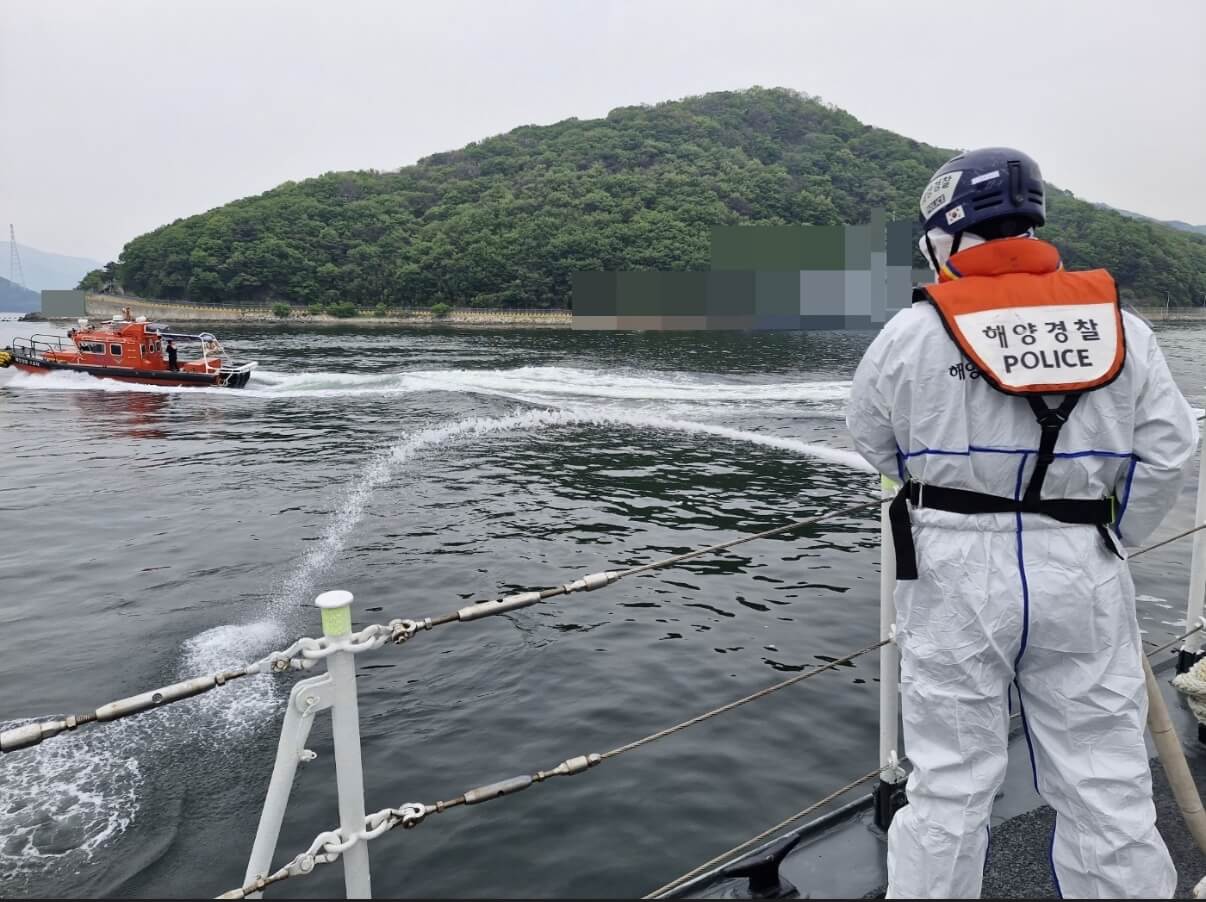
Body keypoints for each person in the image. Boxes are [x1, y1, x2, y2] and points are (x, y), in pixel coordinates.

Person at [846, 147, 1198, 899]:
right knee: (1106, 781)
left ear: (946, 234)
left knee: (948, 787)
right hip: (1082, 562)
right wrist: (1112, 534)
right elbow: (1170, 449)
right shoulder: (1121, 326)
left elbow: (872, 438)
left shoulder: (912, 333)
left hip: (952, 569)